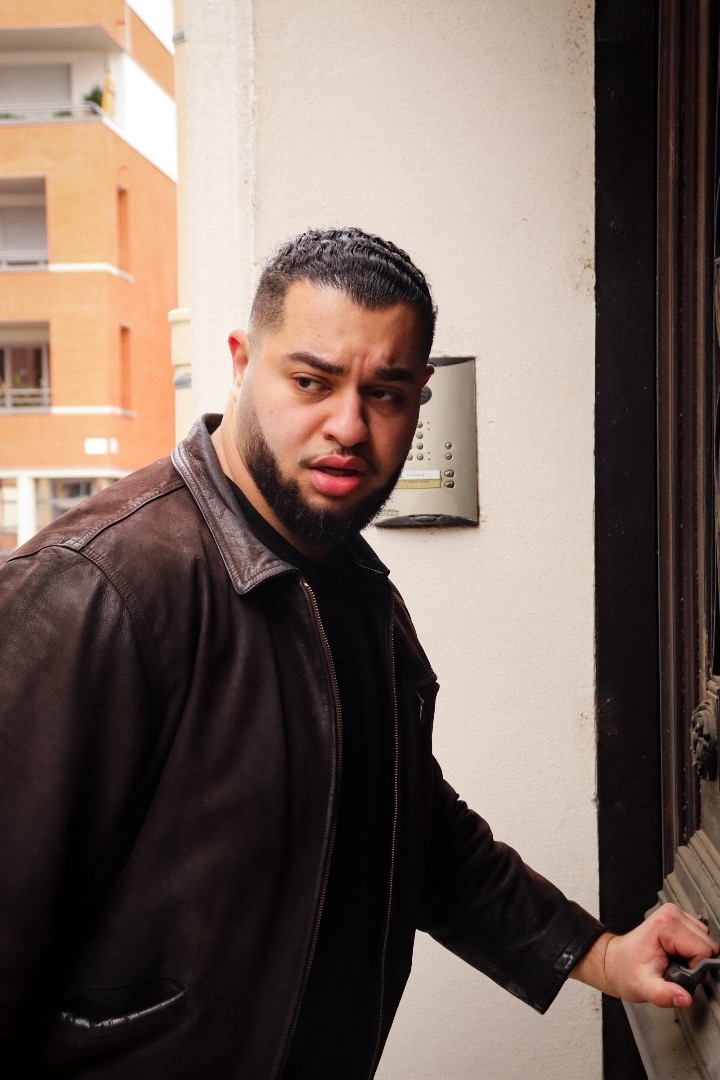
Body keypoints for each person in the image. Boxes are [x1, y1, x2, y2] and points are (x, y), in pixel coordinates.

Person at [0, 227, 715, 1079]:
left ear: (419, 398)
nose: (348, 425)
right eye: (311, 381)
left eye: (385, 393)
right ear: (241, 363)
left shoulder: (348, 579)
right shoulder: (95, 586)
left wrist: (599, 954)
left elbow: (409, 827)